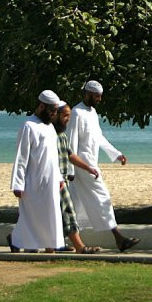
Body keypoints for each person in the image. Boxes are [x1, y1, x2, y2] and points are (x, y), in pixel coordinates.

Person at [67, 80, 140, 251]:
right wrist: (71, 170)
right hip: (82, 167)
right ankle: (119, 238)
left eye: (100, 96)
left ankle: (30, 236)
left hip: (91, 164)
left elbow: (99, 138)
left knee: (74, 204)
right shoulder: (76, 113)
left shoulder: (92, 113)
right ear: (87, 94)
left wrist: (116, 154)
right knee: (103, 198)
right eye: (96, 96)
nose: (99, 99)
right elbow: (70, 144)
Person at [8, 90, 65, 253]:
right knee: (31, 218)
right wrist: (17, 184)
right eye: (52, 110)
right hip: (32, 182)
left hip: (51, 181)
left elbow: (54, 156)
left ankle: (49, 248)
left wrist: (60, 178)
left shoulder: (50, 128)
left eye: (55, 111)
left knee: (50, 216)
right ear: (41, 106)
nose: (54, 114)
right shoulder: (29, 126)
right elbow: (21, 157)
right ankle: (27, 247)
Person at [52, 100, 101, 254]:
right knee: (68, 211)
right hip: (54, 180)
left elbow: (70, 155)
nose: (68, 119)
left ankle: (16, 238)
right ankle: (80, 247)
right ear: (55, 115)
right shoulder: (48, 134)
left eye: (70, 116)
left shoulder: (61, 135)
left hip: (62, 180)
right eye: (66, 116)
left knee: (52, 214)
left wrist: (88, 168)